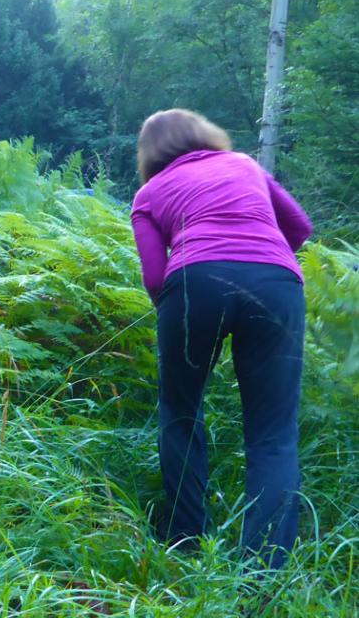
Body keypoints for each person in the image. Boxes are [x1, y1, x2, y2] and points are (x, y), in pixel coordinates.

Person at [130, 109, 312, 569]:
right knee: (273, 435)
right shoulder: (244, 165)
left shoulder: (149, 194)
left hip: (195, 282)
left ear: (149, 154)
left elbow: (155, 275)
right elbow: (300, 228)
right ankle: (262, 576)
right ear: (204, 134)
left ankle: (187, 544)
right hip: (276, 282)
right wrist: (260, 260)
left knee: (181, 412)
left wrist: (181, 315)